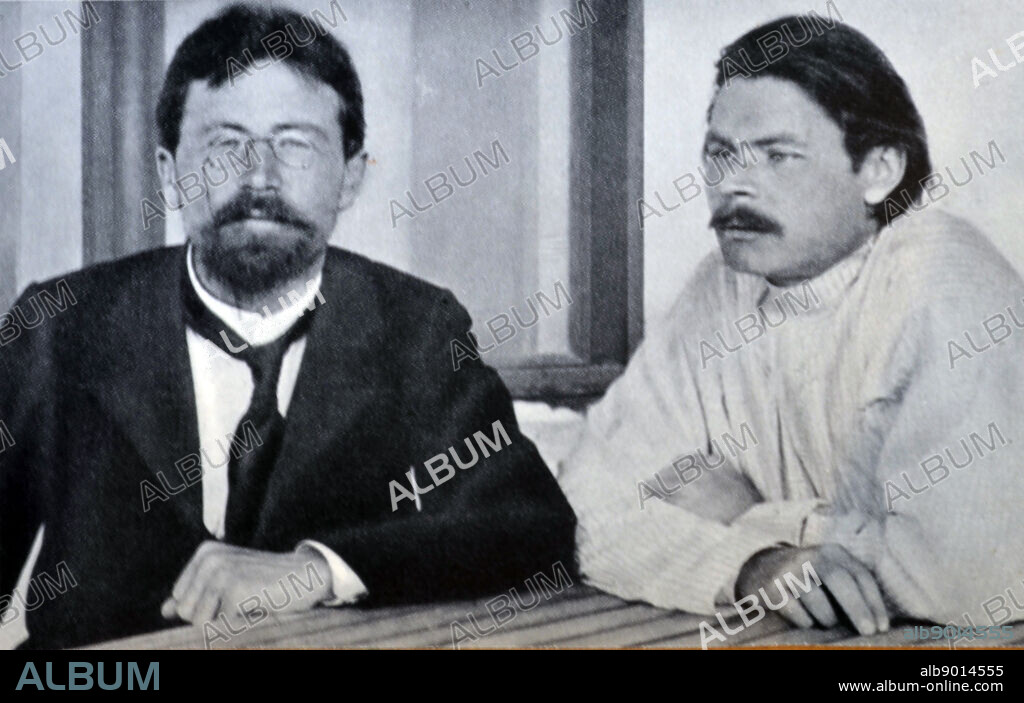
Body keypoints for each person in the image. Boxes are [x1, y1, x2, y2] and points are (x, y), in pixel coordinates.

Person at [0, 3, 575, 649]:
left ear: (351, 177)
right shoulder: (58, 327)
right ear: (169, 172)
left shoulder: (417, 330)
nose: (259, 177)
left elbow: (531, 525)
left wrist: (319, 569)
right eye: (225, 143)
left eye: (295, 144)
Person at [560, 16, 1024, 638]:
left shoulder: (945, 278)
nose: (732, 185)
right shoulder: (722, 285)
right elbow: (587, 503)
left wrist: (754, 518)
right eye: (720, 154)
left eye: (778, 156)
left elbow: (967, 576)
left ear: (879, 170)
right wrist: (756, 564)